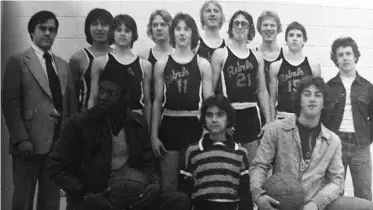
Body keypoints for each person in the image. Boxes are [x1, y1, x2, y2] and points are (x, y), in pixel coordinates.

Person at [46, 61, 190, 210]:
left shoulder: (137, 123)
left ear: (125, 96)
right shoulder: (79, 124)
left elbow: (149, 164)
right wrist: (84, 194)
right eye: (101, 90)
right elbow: (55, 166)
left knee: (179, 200)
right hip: (94, 199)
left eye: (111, 93)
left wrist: (153, 185)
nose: (102, 97)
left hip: (133, 195)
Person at [249, 76, 373, 210]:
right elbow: (259, 166)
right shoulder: (277, 129)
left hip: (315, 204)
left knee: (367, 206)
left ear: (324, 103)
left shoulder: (333, 141)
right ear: (300, 100)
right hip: (281, 202)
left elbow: (337, 182)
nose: (312, 99)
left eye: (317, 95)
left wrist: (315, 203)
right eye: (307, 94)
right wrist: (258, 196)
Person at [2, 10, 77, 210]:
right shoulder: (18, 61)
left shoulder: (63, 65)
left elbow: (69, 107)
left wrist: (66, 141)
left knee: (51, 199)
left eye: (52, 30)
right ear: (32, 32)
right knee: (23, 198)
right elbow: (10, 105)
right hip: (28, 143)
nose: (47, 33)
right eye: (42, 28)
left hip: (56, 144)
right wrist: (21, 139)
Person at [151, 12, 214, 191]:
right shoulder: (162, 64)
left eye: (186, 29)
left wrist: (207, 131)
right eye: (178, 29)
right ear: (173, 34)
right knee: (169, 185)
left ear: (193, 33)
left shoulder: (203, 64)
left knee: (194, 183)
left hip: (194, 125)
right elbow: (157, 101)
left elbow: (208, 102)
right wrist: (154, 136)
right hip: (169, 124)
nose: (182, 33)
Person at [211, 10, 271, 164]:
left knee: (252, 165)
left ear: (250, 28)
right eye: (236, 23)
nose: (239, 26)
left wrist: (269, 121)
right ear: (230, 28)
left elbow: (263, 91)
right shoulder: (220, 54)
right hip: (230, 113)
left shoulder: (257, 56)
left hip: (251, 114)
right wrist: (218, 117)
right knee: (227, 163)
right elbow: (210, 91)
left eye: (244, 23)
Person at [180, 95, 252, 210]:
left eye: (220, 114)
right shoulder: (193, 151)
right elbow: (185, 190)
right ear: (203, 119)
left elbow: (245, 192)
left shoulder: (240, 152)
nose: (214, 119)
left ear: (228, 119)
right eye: (209, 115)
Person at [323, 37, 373, 201]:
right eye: (340, 54)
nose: (345, 57)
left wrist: (367, 139)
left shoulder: (367, 87)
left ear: (355, 57)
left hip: (361, 146)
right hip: (336, 145)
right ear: (336, 60)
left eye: (348, 53)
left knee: (364, 193)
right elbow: (322, 119)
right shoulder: (328, 87)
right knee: (334, 193)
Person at [88, 14, 152, 127]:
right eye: (118, 30)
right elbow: (93, 98)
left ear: (133, 35)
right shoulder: (100, 62)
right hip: (107, 122)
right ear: (113, 33)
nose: (123, 34)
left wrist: (147, 129)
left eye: (127, 31)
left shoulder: (144, 65)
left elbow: (147, 102)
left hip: (134, 123)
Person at [268, 21, 321, 120]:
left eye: (299, 36)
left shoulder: (313, 67)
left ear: (304, 40)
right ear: (286, 40)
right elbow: (272, 99)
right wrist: (271, 123)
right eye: (291, 35)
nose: (294, 39)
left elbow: (318, 98)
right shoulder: (276, 66)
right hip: (283, 116)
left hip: (304, 118)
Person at [69, 8, 113, 111]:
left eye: (104, 24)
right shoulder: (78, 58)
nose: (99, 28)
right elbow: (71, 97)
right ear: (88, 28)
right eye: (94, 24)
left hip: (114, 119)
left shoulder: (119, 57)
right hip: (86, 117)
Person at [138, 9, 174, 103]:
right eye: (155, 25)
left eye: (163, 24)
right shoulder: (143, 56)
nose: (158, 28)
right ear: (151, 29)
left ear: (170, 27)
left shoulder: (178, 56)